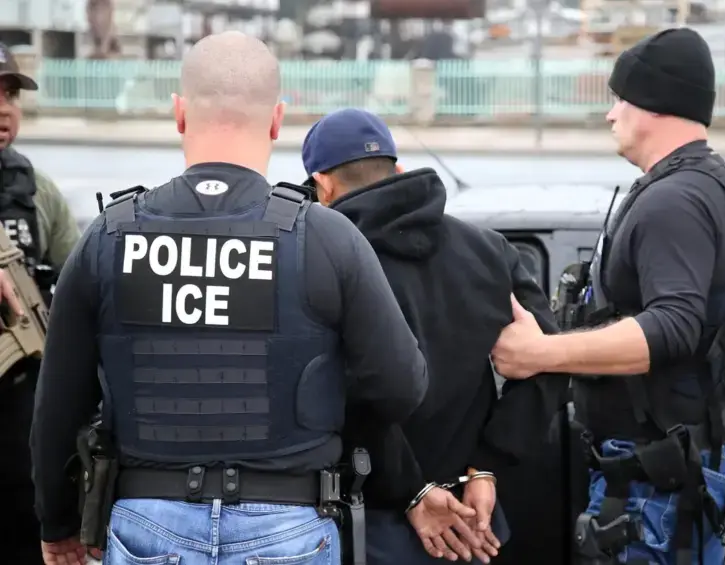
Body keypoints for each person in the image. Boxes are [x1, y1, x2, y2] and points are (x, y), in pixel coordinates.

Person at [30, 32, 429, 565]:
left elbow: (56, 407)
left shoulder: (109, 236)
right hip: (291, 525)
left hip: (146, 523)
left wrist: (57, 524)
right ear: (276, 120)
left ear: (178, 114)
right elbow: (402, 387)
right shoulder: (328, 237)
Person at [491, 28, 725, 565]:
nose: (611, 114)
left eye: (620, 98)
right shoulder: (704, 185)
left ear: (656, 104)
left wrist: (540, 352)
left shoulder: (675, 202)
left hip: (656, 483)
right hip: (666, 471)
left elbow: (675, 326)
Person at [301, 108, 570, 565]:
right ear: (398, 171)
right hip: (474, 525)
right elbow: (549, 361)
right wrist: (487, 467)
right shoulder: (488, 251)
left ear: (323, 186)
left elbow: (349, 397)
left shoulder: (329, 262)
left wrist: (413, 491)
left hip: (370, 526)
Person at [0, 42, 82, 565]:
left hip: (19, 415)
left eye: (10, 94)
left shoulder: (36, 193)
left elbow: (80, 295)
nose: (5, 108)